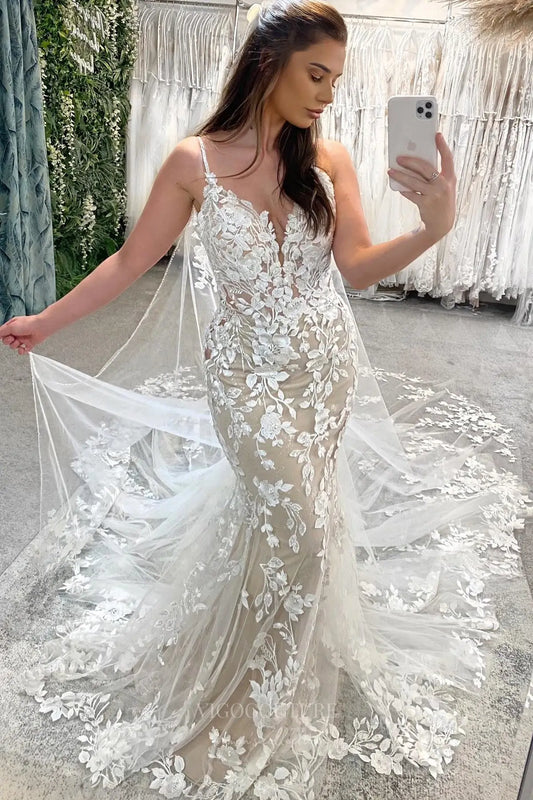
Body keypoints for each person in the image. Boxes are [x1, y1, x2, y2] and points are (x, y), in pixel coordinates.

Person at [0, 2, 529, 799]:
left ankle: (274, 641)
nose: (327, 94)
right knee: (304, 532)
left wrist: (433, 227)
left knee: (292, 523)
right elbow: (130, 261)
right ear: (265, 62)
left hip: (323, 371)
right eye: (315, 74)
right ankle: (254, 692)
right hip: (246, 381)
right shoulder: (193, 162)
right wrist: (45, 322)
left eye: (335, 80)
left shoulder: (330, 161)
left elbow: (354, 269)